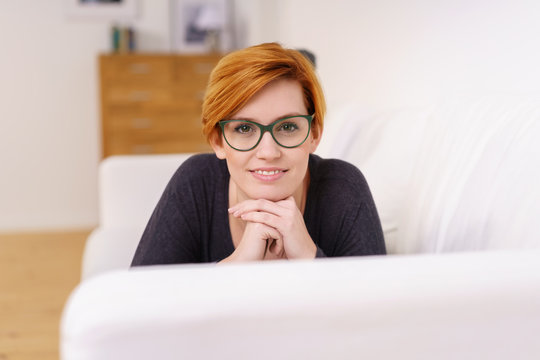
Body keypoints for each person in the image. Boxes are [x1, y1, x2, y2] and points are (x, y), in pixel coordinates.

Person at [131, 42, 386, 265]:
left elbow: (382, 312)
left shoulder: (344, 187)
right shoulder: (195, 182)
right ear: (218, 141)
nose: (268, 152)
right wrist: (238, 263)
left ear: (314, 134)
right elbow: (136, 303)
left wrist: (309, 257)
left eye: (287, 127)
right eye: (244, 128)